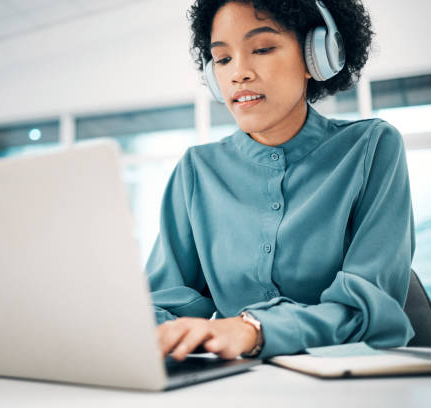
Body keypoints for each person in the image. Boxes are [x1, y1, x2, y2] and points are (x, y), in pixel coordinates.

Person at [146, 0, 415, 361]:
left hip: (347, 385)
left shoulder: (370, 149)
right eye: (223, 59)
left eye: (262, 49)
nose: (237, 73)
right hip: (234, 385)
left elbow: (368, 307)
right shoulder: (197, 169)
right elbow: (165, 300)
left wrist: (251, 330)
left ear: (316, 56)